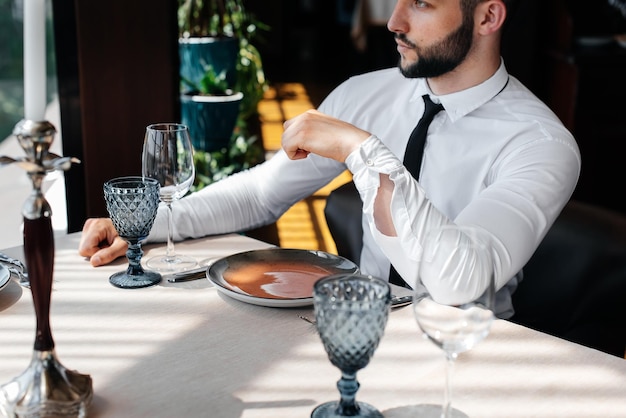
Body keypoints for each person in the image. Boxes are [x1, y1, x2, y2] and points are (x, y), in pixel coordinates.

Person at [79, 0, 580, 319]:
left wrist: (362, 151)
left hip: (463, 354)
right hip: (353, 325)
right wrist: (150, 224)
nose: (394, 21)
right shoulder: (368, 93)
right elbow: (262, 192)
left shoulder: (540, 143)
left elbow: (458, 282)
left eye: (422, 4)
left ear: (488, 17)